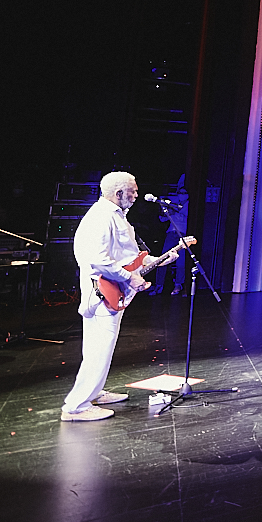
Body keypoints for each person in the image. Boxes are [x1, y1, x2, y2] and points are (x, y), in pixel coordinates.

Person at [61, 172, 158, 421]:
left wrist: (152, 261)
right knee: (99, 349)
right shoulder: (101, 217)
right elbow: (98, 259)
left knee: (99, 347)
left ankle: (93, 393)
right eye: (133, 191)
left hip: (109, 289)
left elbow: (126, 256)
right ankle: (77, 406)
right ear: (118, 193)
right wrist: (129, 278)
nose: (136, 195)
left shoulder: (116, 217)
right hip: (103, 292)